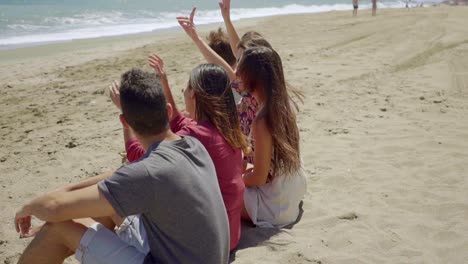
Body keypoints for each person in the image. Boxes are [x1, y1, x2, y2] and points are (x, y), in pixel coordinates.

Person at [14, 68, 230, 264]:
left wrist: (28, 207)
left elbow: (53, 207)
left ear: (124, 122)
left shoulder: (148, 173)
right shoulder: (191, 145)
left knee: (58, 228)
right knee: (109, 211)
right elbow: (124, 174)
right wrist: (66, 190)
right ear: (168, 110)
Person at [177, 10, 306, 228]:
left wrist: (230, 178)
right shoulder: (281, 103)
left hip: (276, 205)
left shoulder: (262, 120)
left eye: (240, 69)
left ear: (253, 76)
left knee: (215, 191)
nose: (235, 74)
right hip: (292, 187)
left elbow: (258, 177)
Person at [110, 58, 248, 251]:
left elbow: (139, 156)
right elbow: (180, 122)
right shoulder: (224, 126)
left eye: (186, 87)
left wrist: (127, 113)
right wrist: (163, 82)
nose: (183, 91)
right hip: (230, 233)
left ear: (194, 95)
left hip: (209, 243)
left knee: (113, 206)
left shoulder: (197, 136)